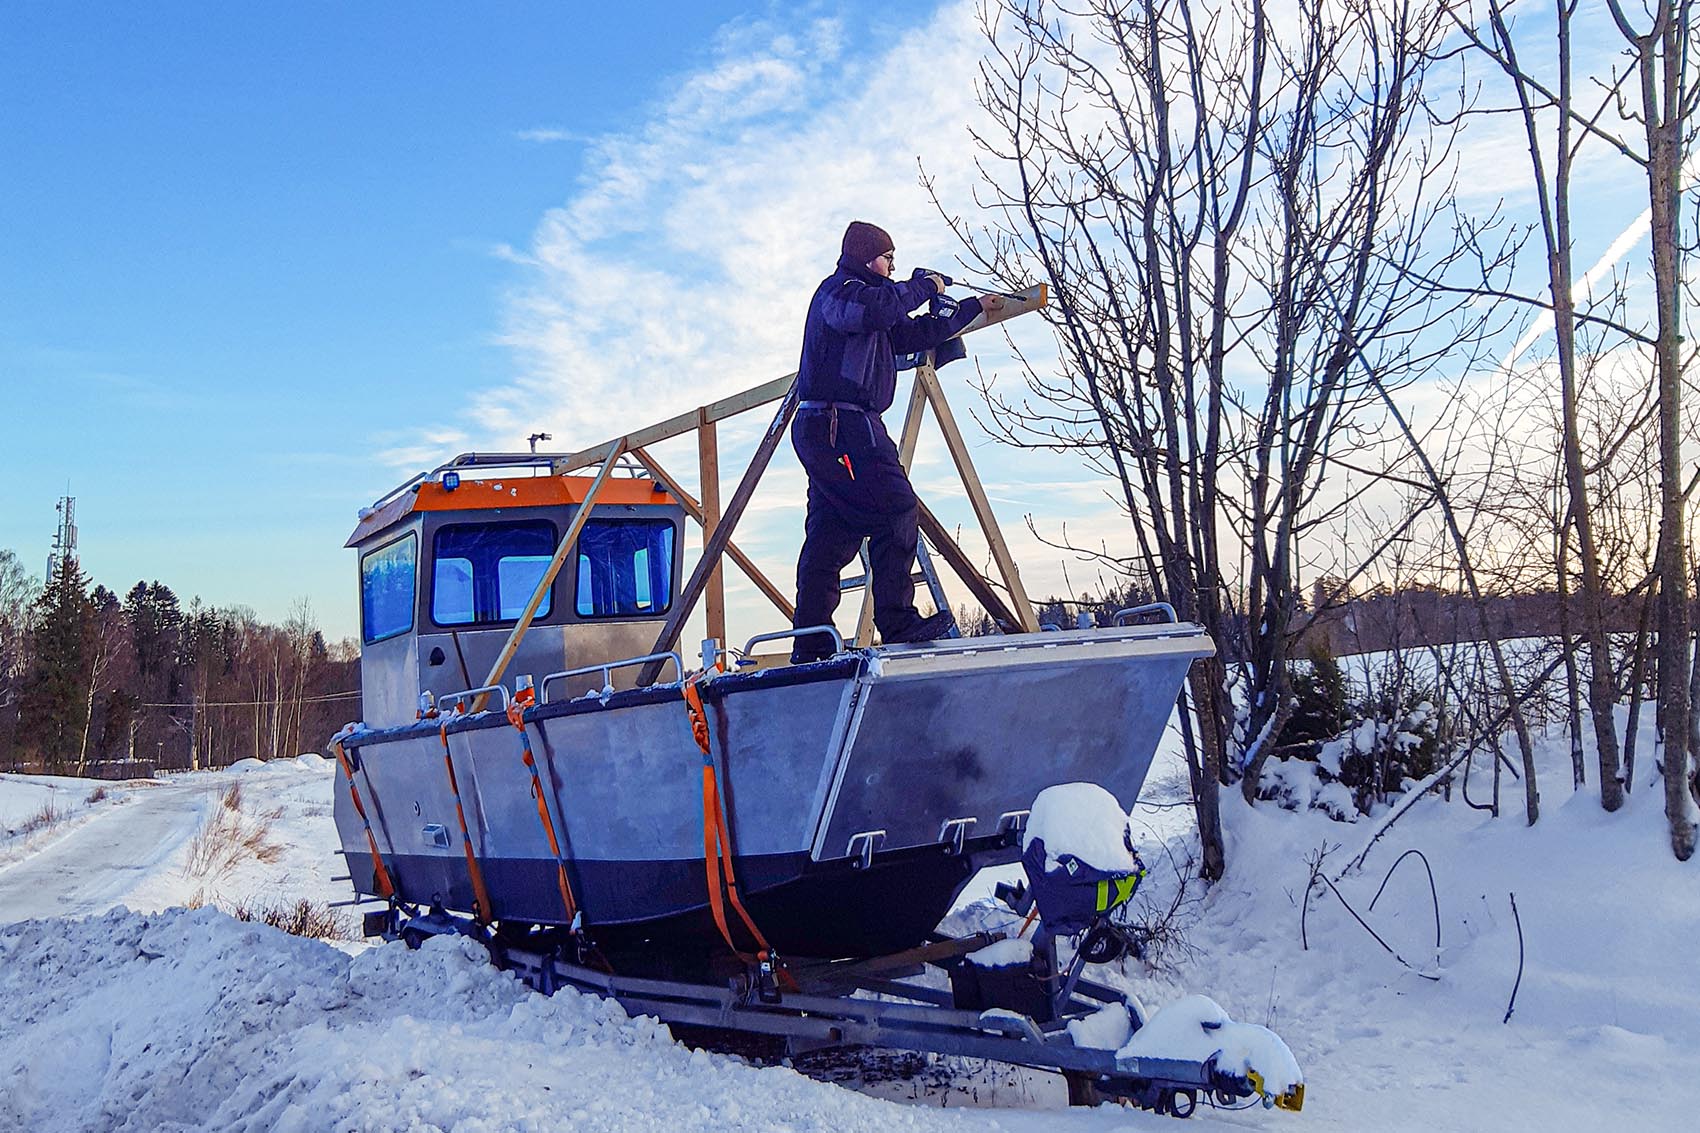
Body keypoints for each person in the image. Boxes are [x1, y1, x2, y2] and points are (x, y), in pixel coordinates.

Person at [788, 220, 1004, 664]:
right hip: (841, 426)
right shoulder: (841, 292)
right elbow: (881, 309)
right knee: (897, 509)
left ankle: (810, 646)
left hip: (832, 429)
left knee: (831, 534)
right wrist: (923, 284)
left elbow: (911, 333)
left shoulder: (870, 305)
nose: (891, 267)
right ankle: (898, 621)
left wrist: (970, 309)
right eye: (889, 259)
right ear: (869, 258)